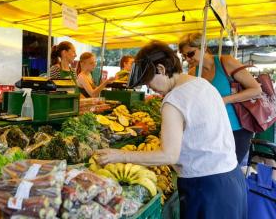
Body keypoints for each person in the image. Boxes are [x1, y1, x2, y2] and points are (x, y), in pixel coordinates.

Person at [95, 41, 247, 219]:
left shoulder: (173, 100)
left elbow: (168, 156)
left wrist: (120, 155)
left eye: (148, 81)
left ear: (160, 69)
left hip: (206, 187)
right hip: (232, 179)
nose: (149, 87)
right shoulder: (203, 84)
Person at [178, 33, 262, 164]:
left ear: (204, 47)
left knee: (231, 168)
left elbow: (256, 90)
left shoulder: (226, 62)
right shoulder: (192, 73)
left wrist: (224, 100)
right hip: (211, 131)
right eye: (184, 56)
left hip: (237, 128)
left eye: (190, 54)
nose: (187, 59)